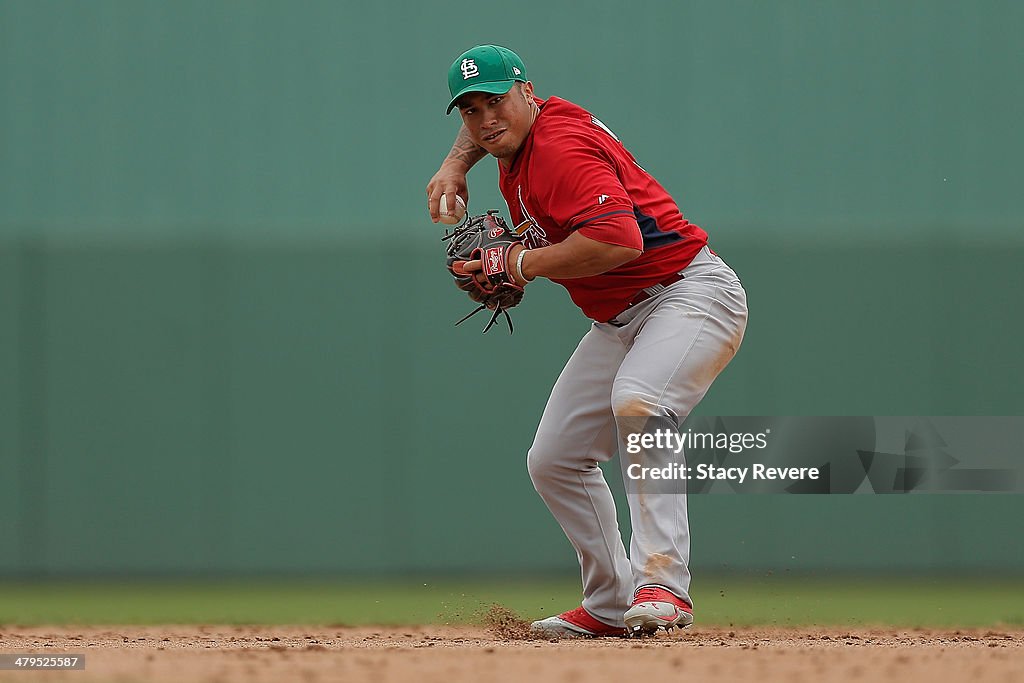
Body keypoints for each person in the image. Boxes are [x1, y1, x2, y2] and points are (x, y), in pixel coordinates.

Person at [427, 45, 748, 637]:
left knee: (640, 401)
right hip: (623, 319)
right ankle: (609, 605)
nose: (484, 119)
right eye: (469, 110)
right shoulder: (521, 129)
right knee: (555, 460)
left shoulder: (559, 151)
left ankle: (664, 588)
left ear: (527, 93)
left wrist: (520, 263)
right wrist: (455, 165)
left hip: (690, 295)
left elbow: (620, 241)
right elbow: (490, 129)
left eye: (494, 101)